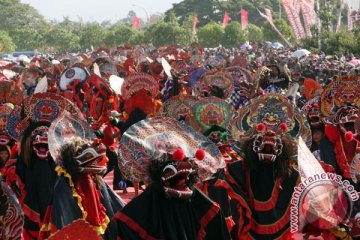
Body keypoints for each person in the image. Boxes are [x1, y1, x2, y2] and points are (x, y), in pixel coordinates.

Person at [102, 110, 123, 191]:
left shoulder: (113, 126)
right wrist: (121, 130)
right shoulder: (108, 126)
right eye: (117, 117)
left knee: (110, 166)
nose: (118, 118)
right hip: (107, 147)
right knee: (117, 163)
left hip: (110, 147)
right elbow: (112, 136)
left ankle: (99, 177)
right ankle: (116, 184)